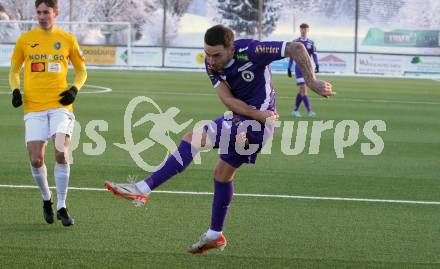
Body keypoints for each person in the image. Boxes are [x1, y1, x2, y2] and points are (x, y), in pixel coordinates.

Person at [104, 24, 334, 254]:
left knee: (194, 138)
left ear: (231, 48)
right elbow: (227, 99)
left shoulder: (251, 51)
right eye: (207, 54)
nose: (211, 61)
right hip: (247, 120)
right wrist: (256, 113)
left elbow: (295, 48)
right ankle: (215, 235)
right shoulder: (211, 63)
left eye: (216, 55)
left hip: (257, 127)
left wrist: (312, 82)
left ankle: (143, 188)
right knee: (222, 174)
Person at [9, 0, 87, 226]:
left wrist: (74, 89)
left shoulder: (67, 39)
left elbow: (81, 71)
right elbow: (14, 70)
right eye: (39, 12)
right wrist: (15, 90)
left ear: (56, 13)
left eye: (46, 12)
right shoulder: (25, 40)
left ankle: (62, 205)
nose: (42, 16)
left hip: (60, 107)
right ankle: (47, 200)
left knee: (61, 152)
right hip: (33, 107)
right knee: (36, 159)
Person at [287, 23, 320, 117]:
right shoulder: (295, 42)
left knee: (303, 90)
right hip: (299, 68)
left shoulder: (311, 43)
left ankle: (295, 110)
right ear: (300, 30)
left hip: (308, 69)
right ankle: (309, 111)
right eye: (302, 29)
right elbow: (291, 56)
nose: (303, 30)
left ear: (308, 30)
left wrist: (317, 65)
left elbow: (314, 55)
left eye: (305, 29)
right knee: (303, 88)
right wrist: (289, 68)